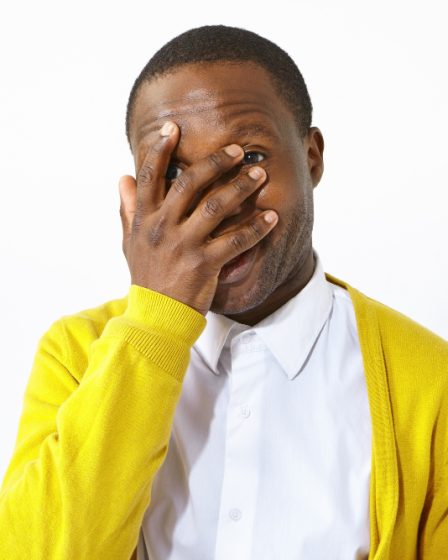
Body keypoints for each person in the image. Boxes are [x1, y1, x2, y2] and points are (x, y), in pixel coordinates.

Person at [0, 24, 446, 560]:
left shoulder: (429, 380)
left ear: (311, 158)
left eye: (251, 158)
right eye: (174, 172)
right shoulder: (76, 353)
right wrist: (157, 321)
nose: (216, 206)